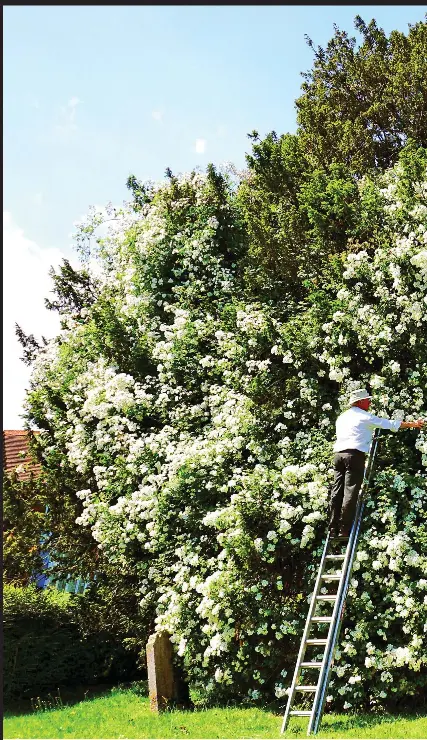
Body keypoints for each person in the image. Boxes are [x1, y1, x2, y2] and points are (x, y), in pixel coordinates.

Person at [329, 388, 424, 538]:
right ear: (360, 402)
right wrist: (414, 424)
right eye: (367, 400)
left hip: (338, 455)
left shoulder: (342, 417)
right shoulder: (364, 416)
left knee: (337, 491)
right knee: (350, 492)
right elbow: (389, 424)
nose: (370, 402)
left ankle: (332, 527)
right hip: (354, 455)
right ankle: (343, 529)